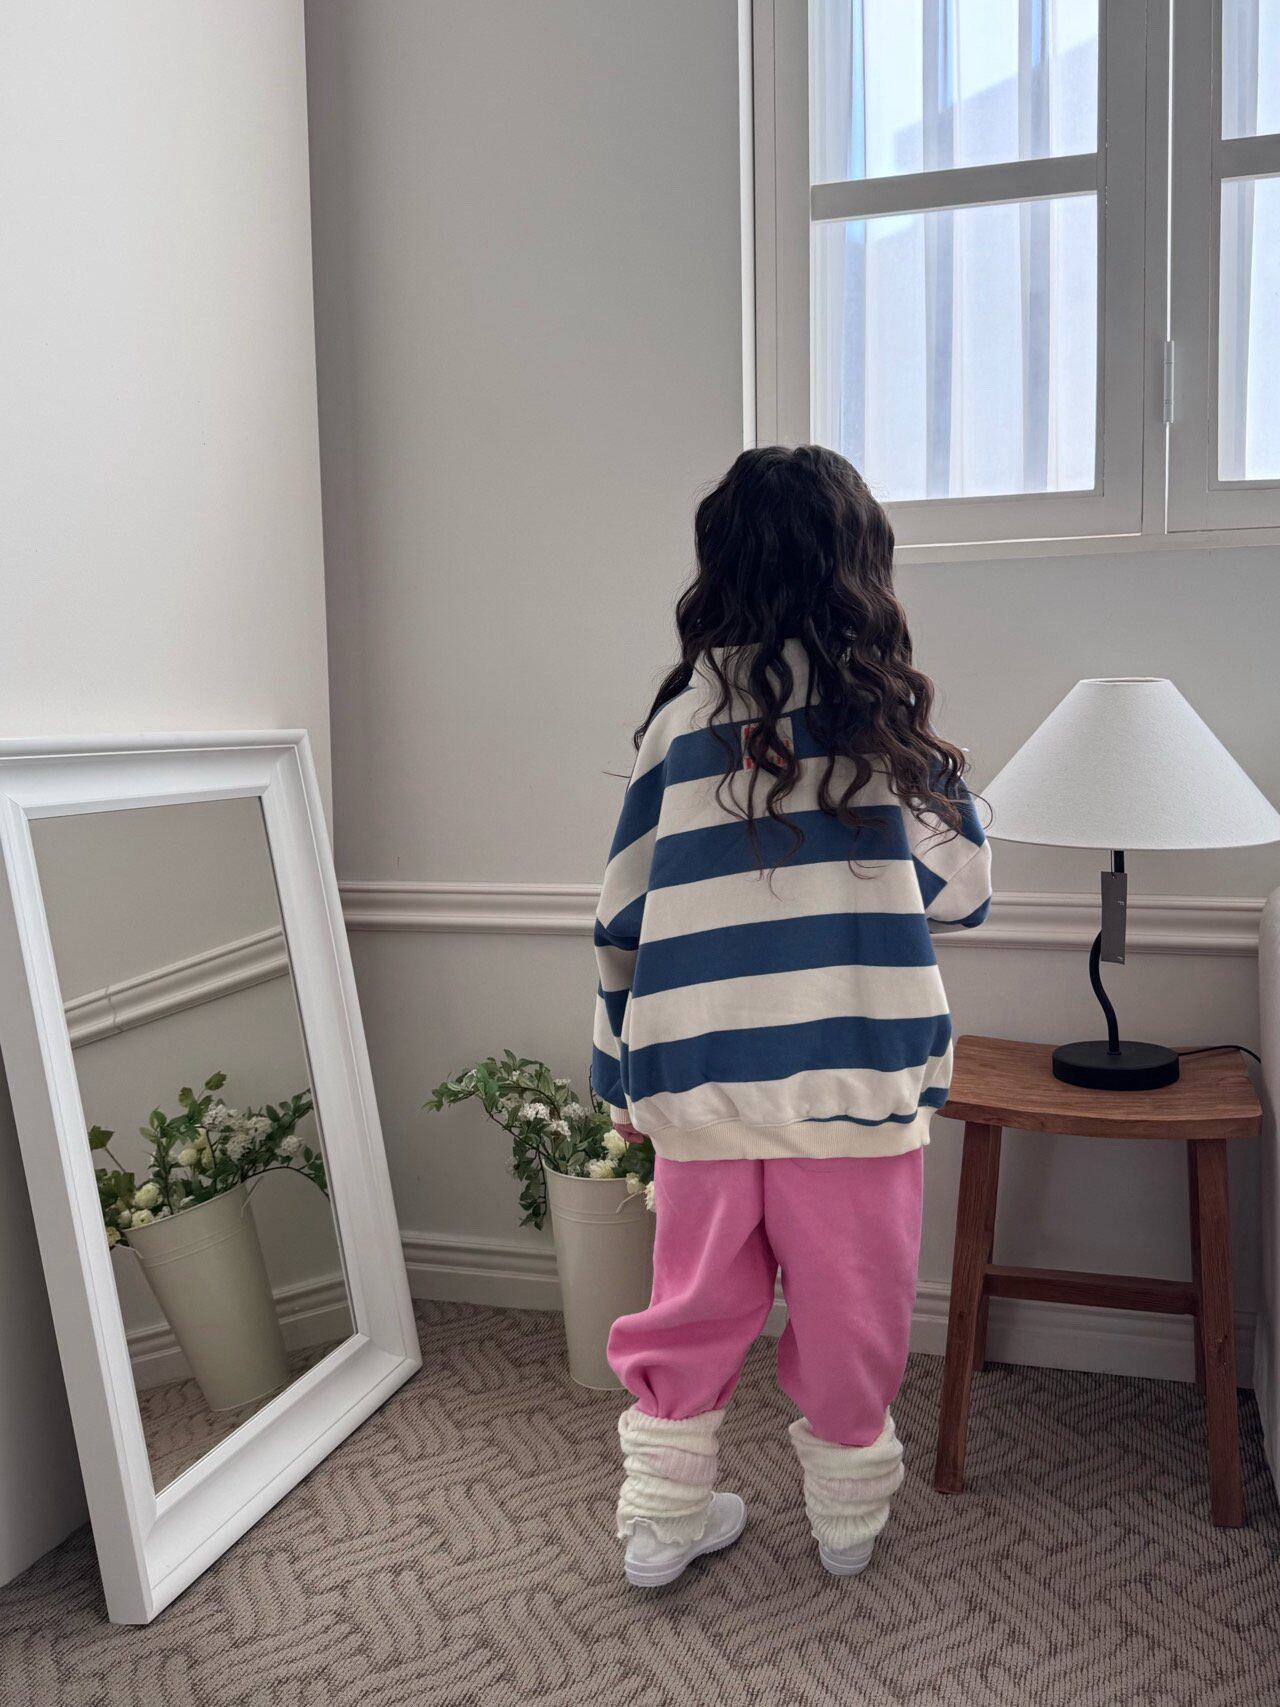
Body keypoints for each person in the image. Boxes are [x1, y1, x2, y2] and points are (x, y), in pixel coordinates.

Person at [590, 445, 992, 1588]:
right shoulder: (884, 728)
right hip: (853, 1079)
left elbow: (618, 920)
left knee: (690, 1304)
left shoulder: (677, 724)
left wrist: (617, 1075)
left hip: (700, 1074)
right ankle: (845, 1521)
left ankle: (661, 1523)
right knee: (852, 1305)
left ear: (718, 566)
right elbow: (962, 894)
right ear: (858, 567)